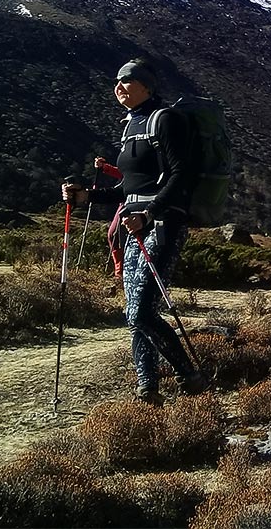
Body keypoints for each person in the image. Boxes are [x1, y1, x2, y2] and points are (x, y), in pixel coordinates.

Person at [62, 58, 208, 405]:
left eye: (127, 81)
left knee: (140, 311)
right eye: (117, 82)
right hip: (133, 222)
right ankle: (147, 386)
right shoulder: (130, 126)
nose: (119, 87)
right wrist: (86, 197)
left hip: (161, 223)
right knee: (136, 311)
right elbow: (126, 188)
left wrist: (150, 212)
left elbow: (180, 175)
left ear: (147, 85)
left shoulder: (166, 120)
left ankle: (189, 375)